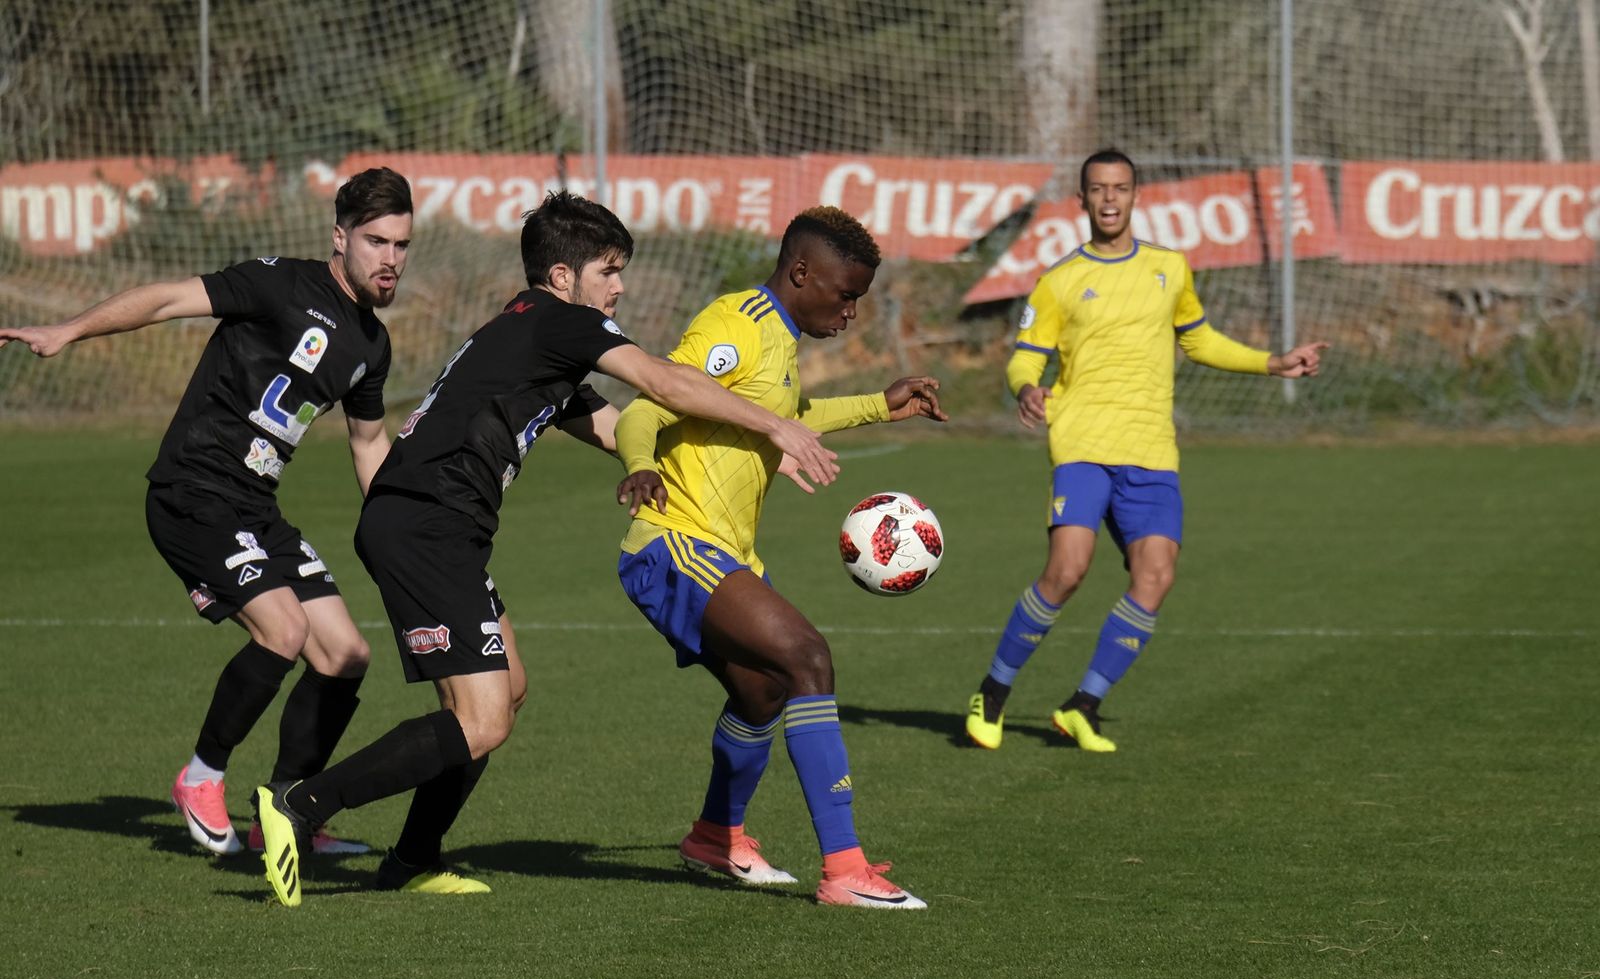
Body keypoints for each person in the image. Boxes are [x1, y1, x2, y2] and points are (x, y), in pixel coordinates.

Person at [251, 190, 840, 906]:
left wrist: (700, 458)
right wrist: (776, 428)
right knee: (482, 717)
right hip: (424, 523)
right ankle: (300, 806)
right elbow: (664, 381)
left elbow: (614, 426)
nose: (619, 286)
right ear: (562, 278)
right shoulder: (559, 323)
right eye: (608, 270)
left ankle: (410, 859)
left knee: (507, 693)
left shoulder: (534, 337)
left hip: (440, 527)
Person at [1, 167, 416, 856]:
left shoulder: (373, 345)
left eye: (402, 245)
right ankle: (201, 777)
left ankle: (284, 817)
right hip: (192, 491)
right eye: (377, 242)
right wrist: (70, 329)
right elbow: (167, 300)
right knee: (282, 631)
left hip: (255, 507)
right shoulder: (280, 282)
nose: (391, 259)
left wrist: (402, 537)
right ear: (339, 238)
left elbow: (368, 444)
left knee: (345, 654)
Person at [613, 206, 945, 910]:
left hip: (721, 550)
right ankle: (846, 870)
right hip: (674, 542)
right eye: (845, 293)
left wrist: (880, 407)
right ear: (801, 273)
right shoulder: (735, 324)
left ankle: (714, 834)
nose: (851, 311)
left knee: (761, 693)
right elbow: (652, 399)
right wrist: (641, 463)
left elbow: (788, 415)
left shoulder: (780, 339)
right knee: (807, 657)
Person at [964, 149, 1328, 752]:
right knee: (1067, 571)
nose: (1110, 199)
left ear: (1137, 197)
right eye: (1099, 190)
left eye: (1121, 188)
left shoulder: (1170, 269)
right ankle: (993, 692)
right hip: (1082, 444)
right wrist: (1025, 388)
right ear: (1081, 201)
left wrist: (1272, 362)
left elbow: (1200, 339)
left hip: (1153, 452)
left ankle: (1083, 704)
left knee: (1155, 577)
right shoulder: (1059, 281)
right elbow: (1026, 355)